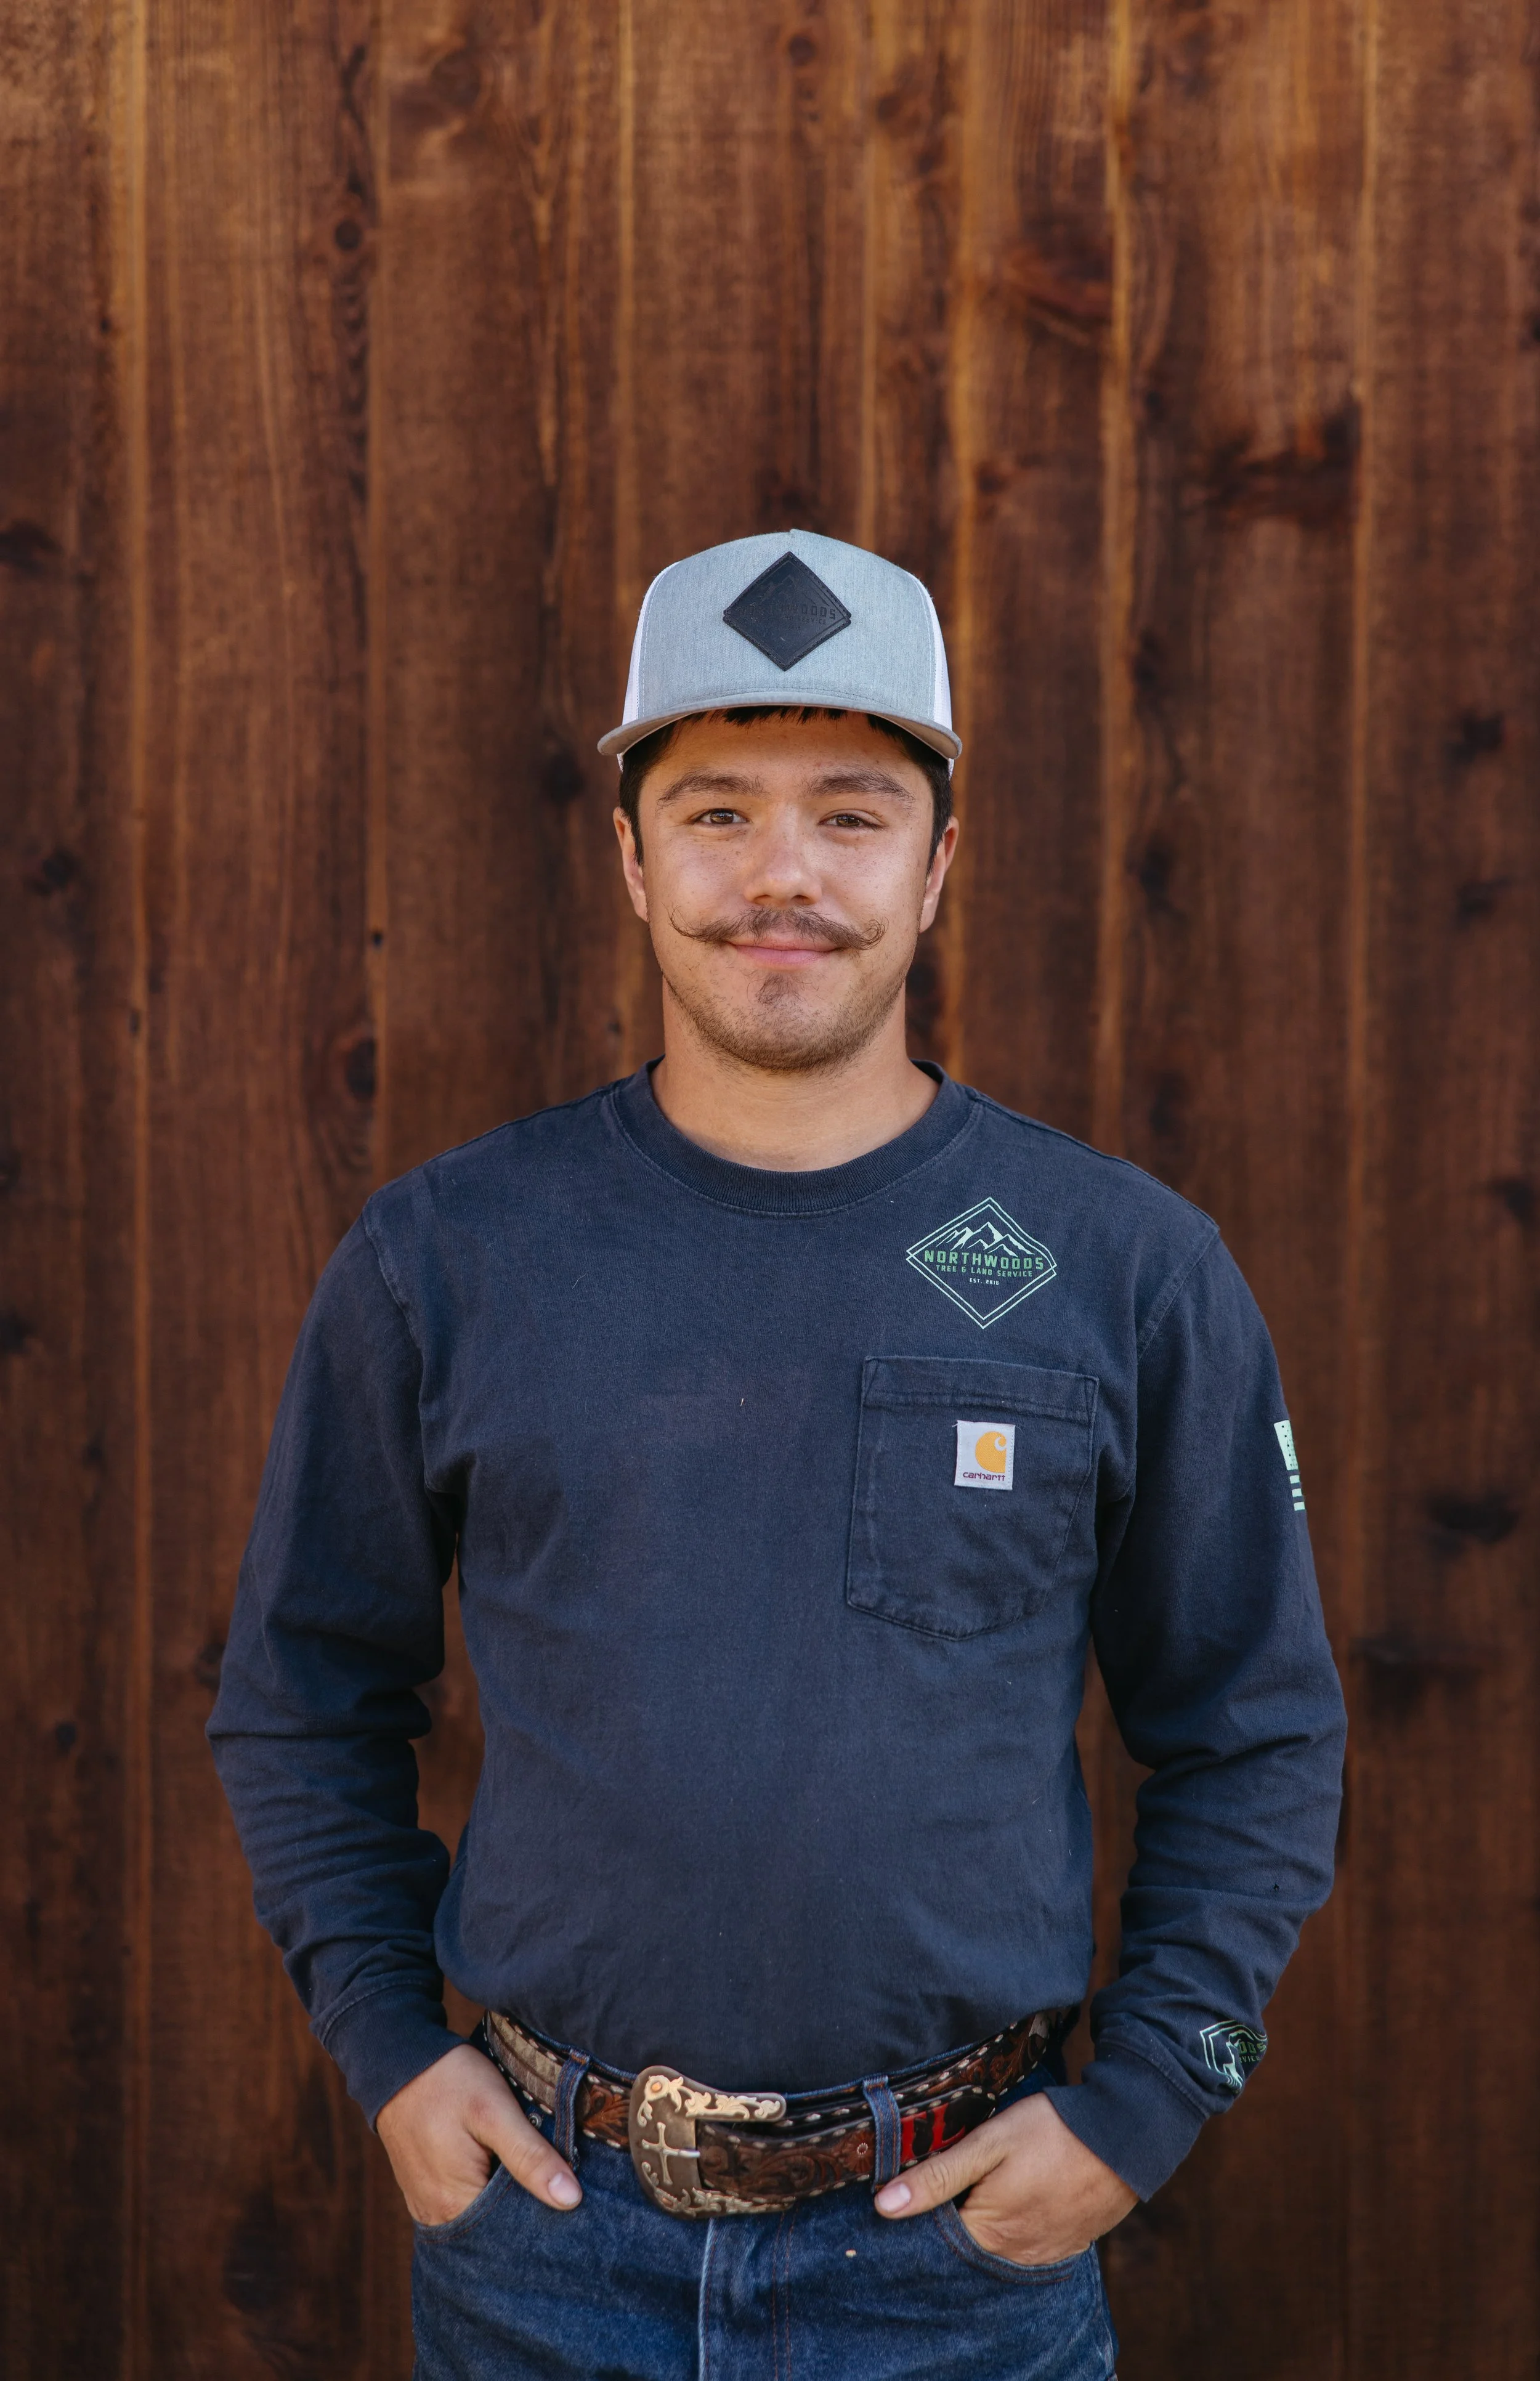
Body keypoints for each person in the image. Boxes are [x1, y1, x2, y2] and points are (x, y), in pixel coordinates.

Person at [210, 530, 1346, 2380]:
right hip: (546, 2251)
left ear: (939, 859)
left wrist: (1146, 2107)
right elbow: (300, 1693)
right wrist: (387, 2052)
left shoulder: (1125, 1269)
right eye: (718, 807)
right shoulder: (449, 1259)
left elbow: (1261, 1728)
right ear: (631, 854)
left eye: (853, 808)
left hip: (957, 2266)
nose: (785, 875)